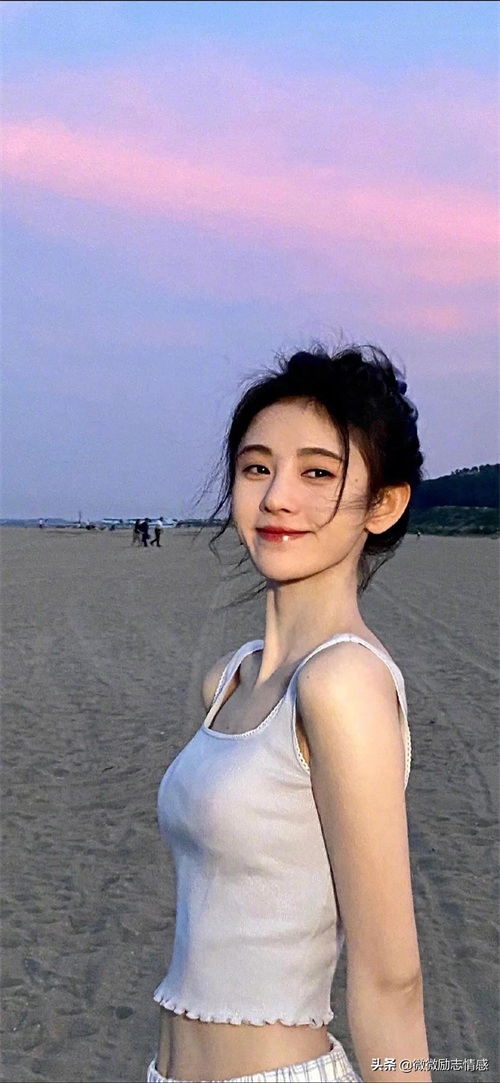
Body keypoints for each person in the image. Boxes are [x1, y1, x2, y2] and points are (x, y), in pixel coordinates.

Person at [150, 345, 431, 1083]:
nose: (277, 496)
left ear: (383, 504)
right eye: (256, 467)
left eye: (317, 473)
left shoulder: (343, 682)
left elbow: (391, 980)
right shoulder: (231, 678)